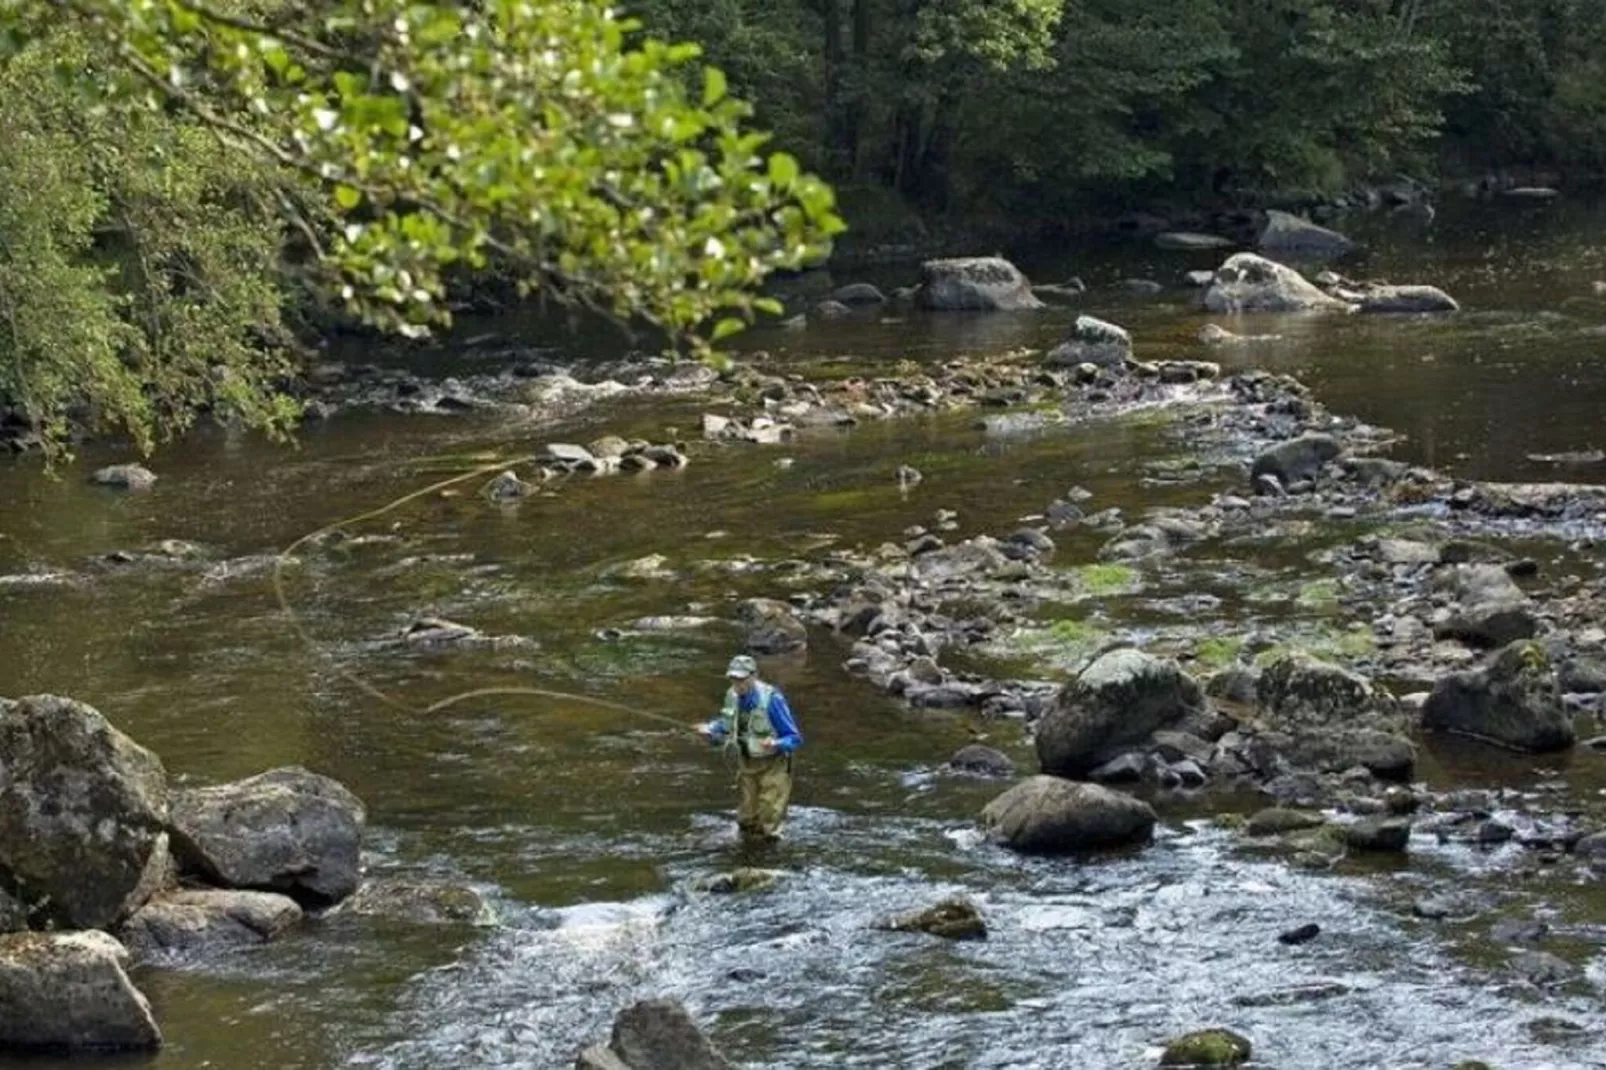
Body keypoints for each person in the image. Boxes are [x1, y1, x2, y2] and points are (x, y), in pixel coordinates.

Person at [696, 654, 802, 842]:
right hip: (747, 762)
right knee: (746, 819)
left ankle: (769, 861)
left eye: (742, 679)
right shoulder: (732, 695)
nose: (738, 684)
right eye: (734, 678)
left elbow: (794, 738)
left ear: (753, 676)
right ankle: (747, 852)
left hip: (774, 765)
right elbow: (728, 724)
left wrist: (776, 743)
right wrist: (711, 729)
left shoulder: (772, 699)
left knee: (769, 816)